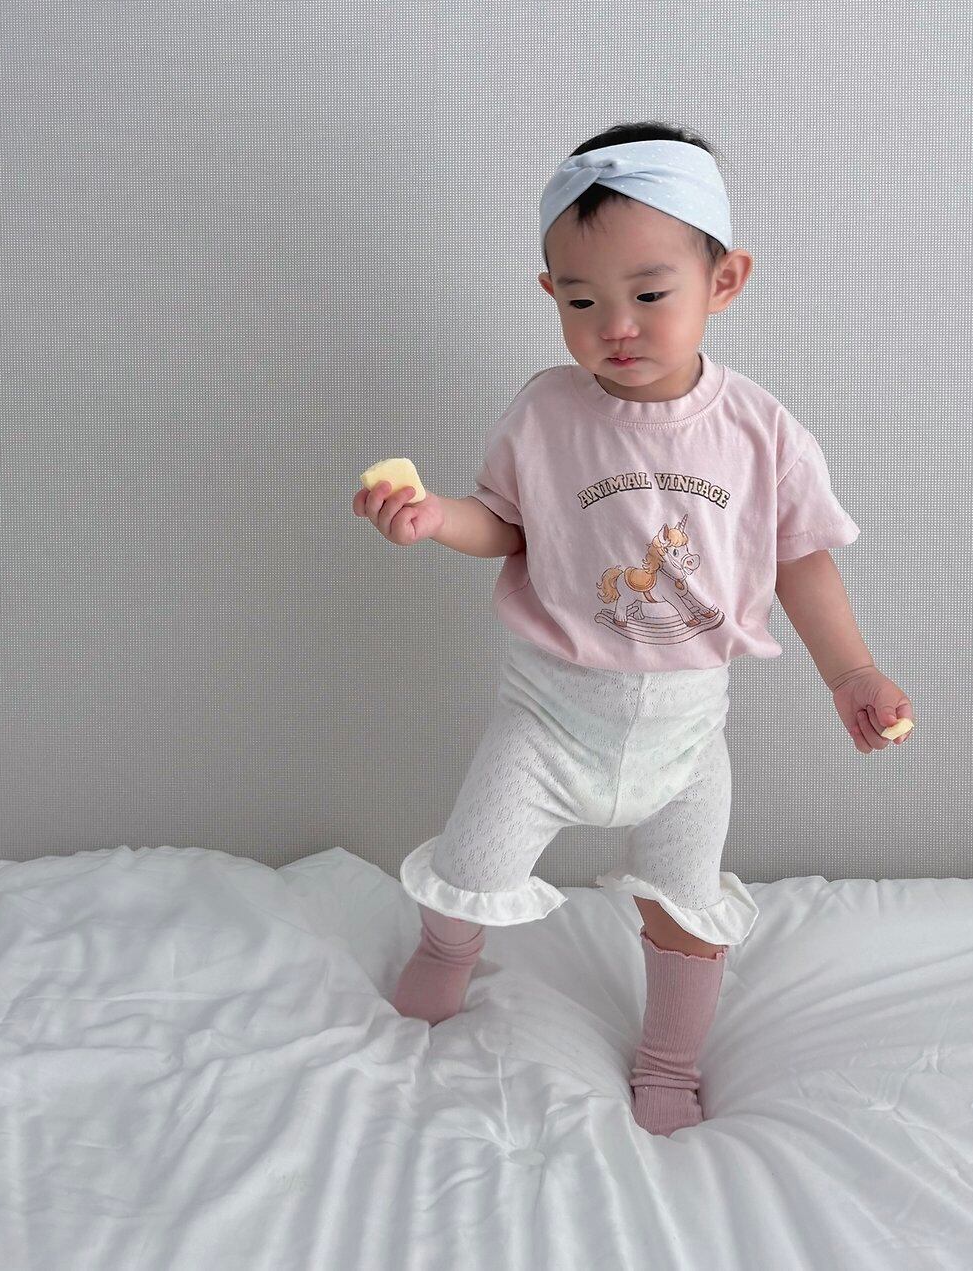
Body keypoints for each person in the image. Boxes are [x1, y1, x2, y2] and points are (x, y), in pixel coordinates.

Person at [353, 122, 915, 1136]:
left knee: (685, 906)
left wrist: (852, 673)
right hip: (548, 718)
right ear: (550, 294)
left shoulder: (758, 432)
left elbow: (799, 560)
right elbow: (505, 523)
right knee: (472, 867)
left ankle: (668, 1061)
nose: (615, 325)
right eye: (580, 301)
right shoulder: (545, 413)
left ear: (722, 280)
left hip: (685, 737)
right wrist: (436, 519)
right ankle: (444, 951)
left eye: (649, 295)